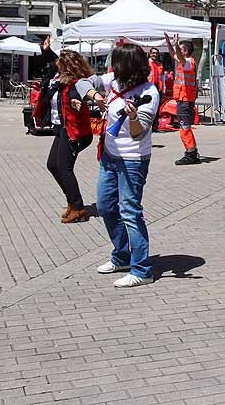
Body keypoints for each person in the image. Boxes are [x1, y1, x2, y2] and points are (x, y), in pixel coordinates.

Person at [81, 44, 161, 288]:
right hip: (109, 156)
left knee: (130, 211)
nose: (111, 67)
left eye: (115, 63)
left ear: (128, 66)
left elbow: (138, 134)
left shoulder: (149, 92)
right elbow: (82, 83)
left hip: (133, 160)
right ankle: (122, 255)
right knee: (105, 205)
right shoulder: (113, 82)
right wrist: (95, 96)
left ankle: (142, 269)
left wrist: (134, 116)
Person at [34, 50, 96, 224]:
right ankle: (72, 201)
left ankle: (78, 208)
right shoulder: (59, 83)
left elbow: (82, 95)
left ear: (69, 67)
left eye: (60, 67)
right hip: (61, 129)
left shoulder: (76, 84)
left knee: (64, 168)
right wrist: (46, 51)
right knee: (52, 165)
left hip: (74, 133)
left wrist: (79, 102)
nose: (57, 69)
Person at [165, 33, 202, 165]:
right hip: (183, 100)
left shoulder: (188, 63)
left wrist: (175, 44)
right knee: (184, 127)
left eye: (180, 49)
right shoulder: (184, 62)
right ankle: (192, 151)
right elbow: (173, 55)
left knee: (184, 127)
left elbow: (179, 57)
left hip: (185, 100)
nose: (177, 51)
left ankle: (191, 153)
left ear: (185, 51)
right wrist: (169, 43)